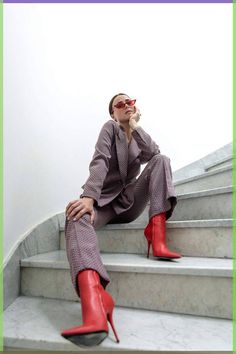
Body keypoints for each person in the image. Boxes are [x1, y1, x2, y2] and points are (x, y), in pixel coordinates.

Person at [61, 93, 181, 347]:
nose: (127, 106)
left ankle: (157, 236)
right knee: (75, 216)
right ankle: (96, 304)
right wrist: (89, 198)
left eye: (130, 102)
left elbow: (154, 154)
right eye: (120, 104)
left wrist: (135, 126)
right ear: (112, 113)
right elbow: (100, 162)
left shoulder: (138, 136)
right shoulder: (109, 129)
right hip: (103, 202)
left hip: (129, 202)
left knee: (162, 159)